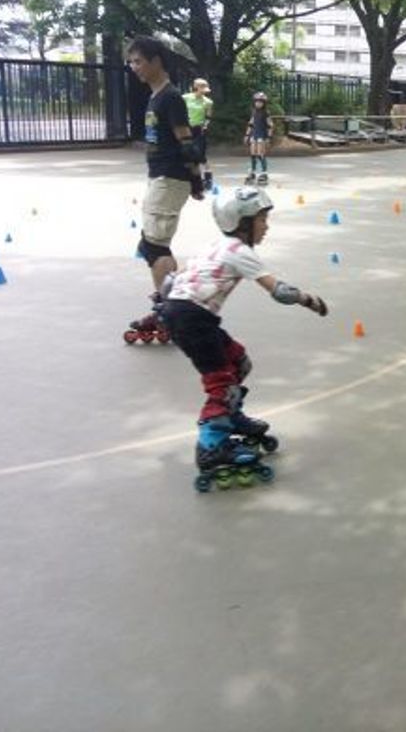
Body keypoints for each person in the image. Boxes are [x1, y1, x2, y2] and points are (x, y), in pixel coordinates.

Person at [162, 186, 329, 490]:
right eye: (262, 220)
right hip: (193, 318)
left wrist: (164, 310)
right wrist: (310, 300)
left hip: (182, 313)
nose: (267, 226)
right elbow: (279, 291)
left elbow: (170, 282)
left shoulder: (214, 245)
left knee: (237, 360)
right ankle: (212, 446)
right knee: (220, 384)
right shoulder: (240, 251)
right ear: (242, 223)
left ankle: (232, 417)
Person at [126, 36, 198, 342]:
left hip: (170, 177)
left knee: (154, 246)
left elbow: (186, 140)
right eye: (130, 62)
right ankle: (171, 308)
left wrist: (196, 177)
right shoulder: (155, 97)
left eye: (139, 61)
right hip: (161, 177)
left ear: (156, 61)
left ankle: (170, 312)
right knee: (155, 245)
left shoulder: (170, 98)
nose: (134, 67)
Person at [182, 78, 214, 193]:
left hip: (199, 129)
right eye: (202, 89)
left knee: (200, 154)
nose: (204, 91)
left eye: (205, 89)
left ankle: (208, 176)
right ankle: (193, 179)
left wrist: (205, 125)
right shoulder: (186, 98)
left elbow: (208, 117)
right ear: (196, 87)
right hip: (187, 128)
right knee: (188, 153)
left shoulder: (208, 102)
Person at [244, 92, 273, 185]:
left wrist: (269, 137)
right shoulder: (254, 112)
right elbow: (250, 124)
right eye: (257, 102)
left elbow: (271, 125)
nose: (258, 103)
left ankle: (264, 172)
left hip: (262, 135)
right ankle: (253, 171)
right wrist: (247, 135)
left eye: (261, 102)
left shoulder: (266, 113)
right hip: (254, 134)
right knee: (253, 153)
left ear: (264, 103)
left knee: (260, 153)